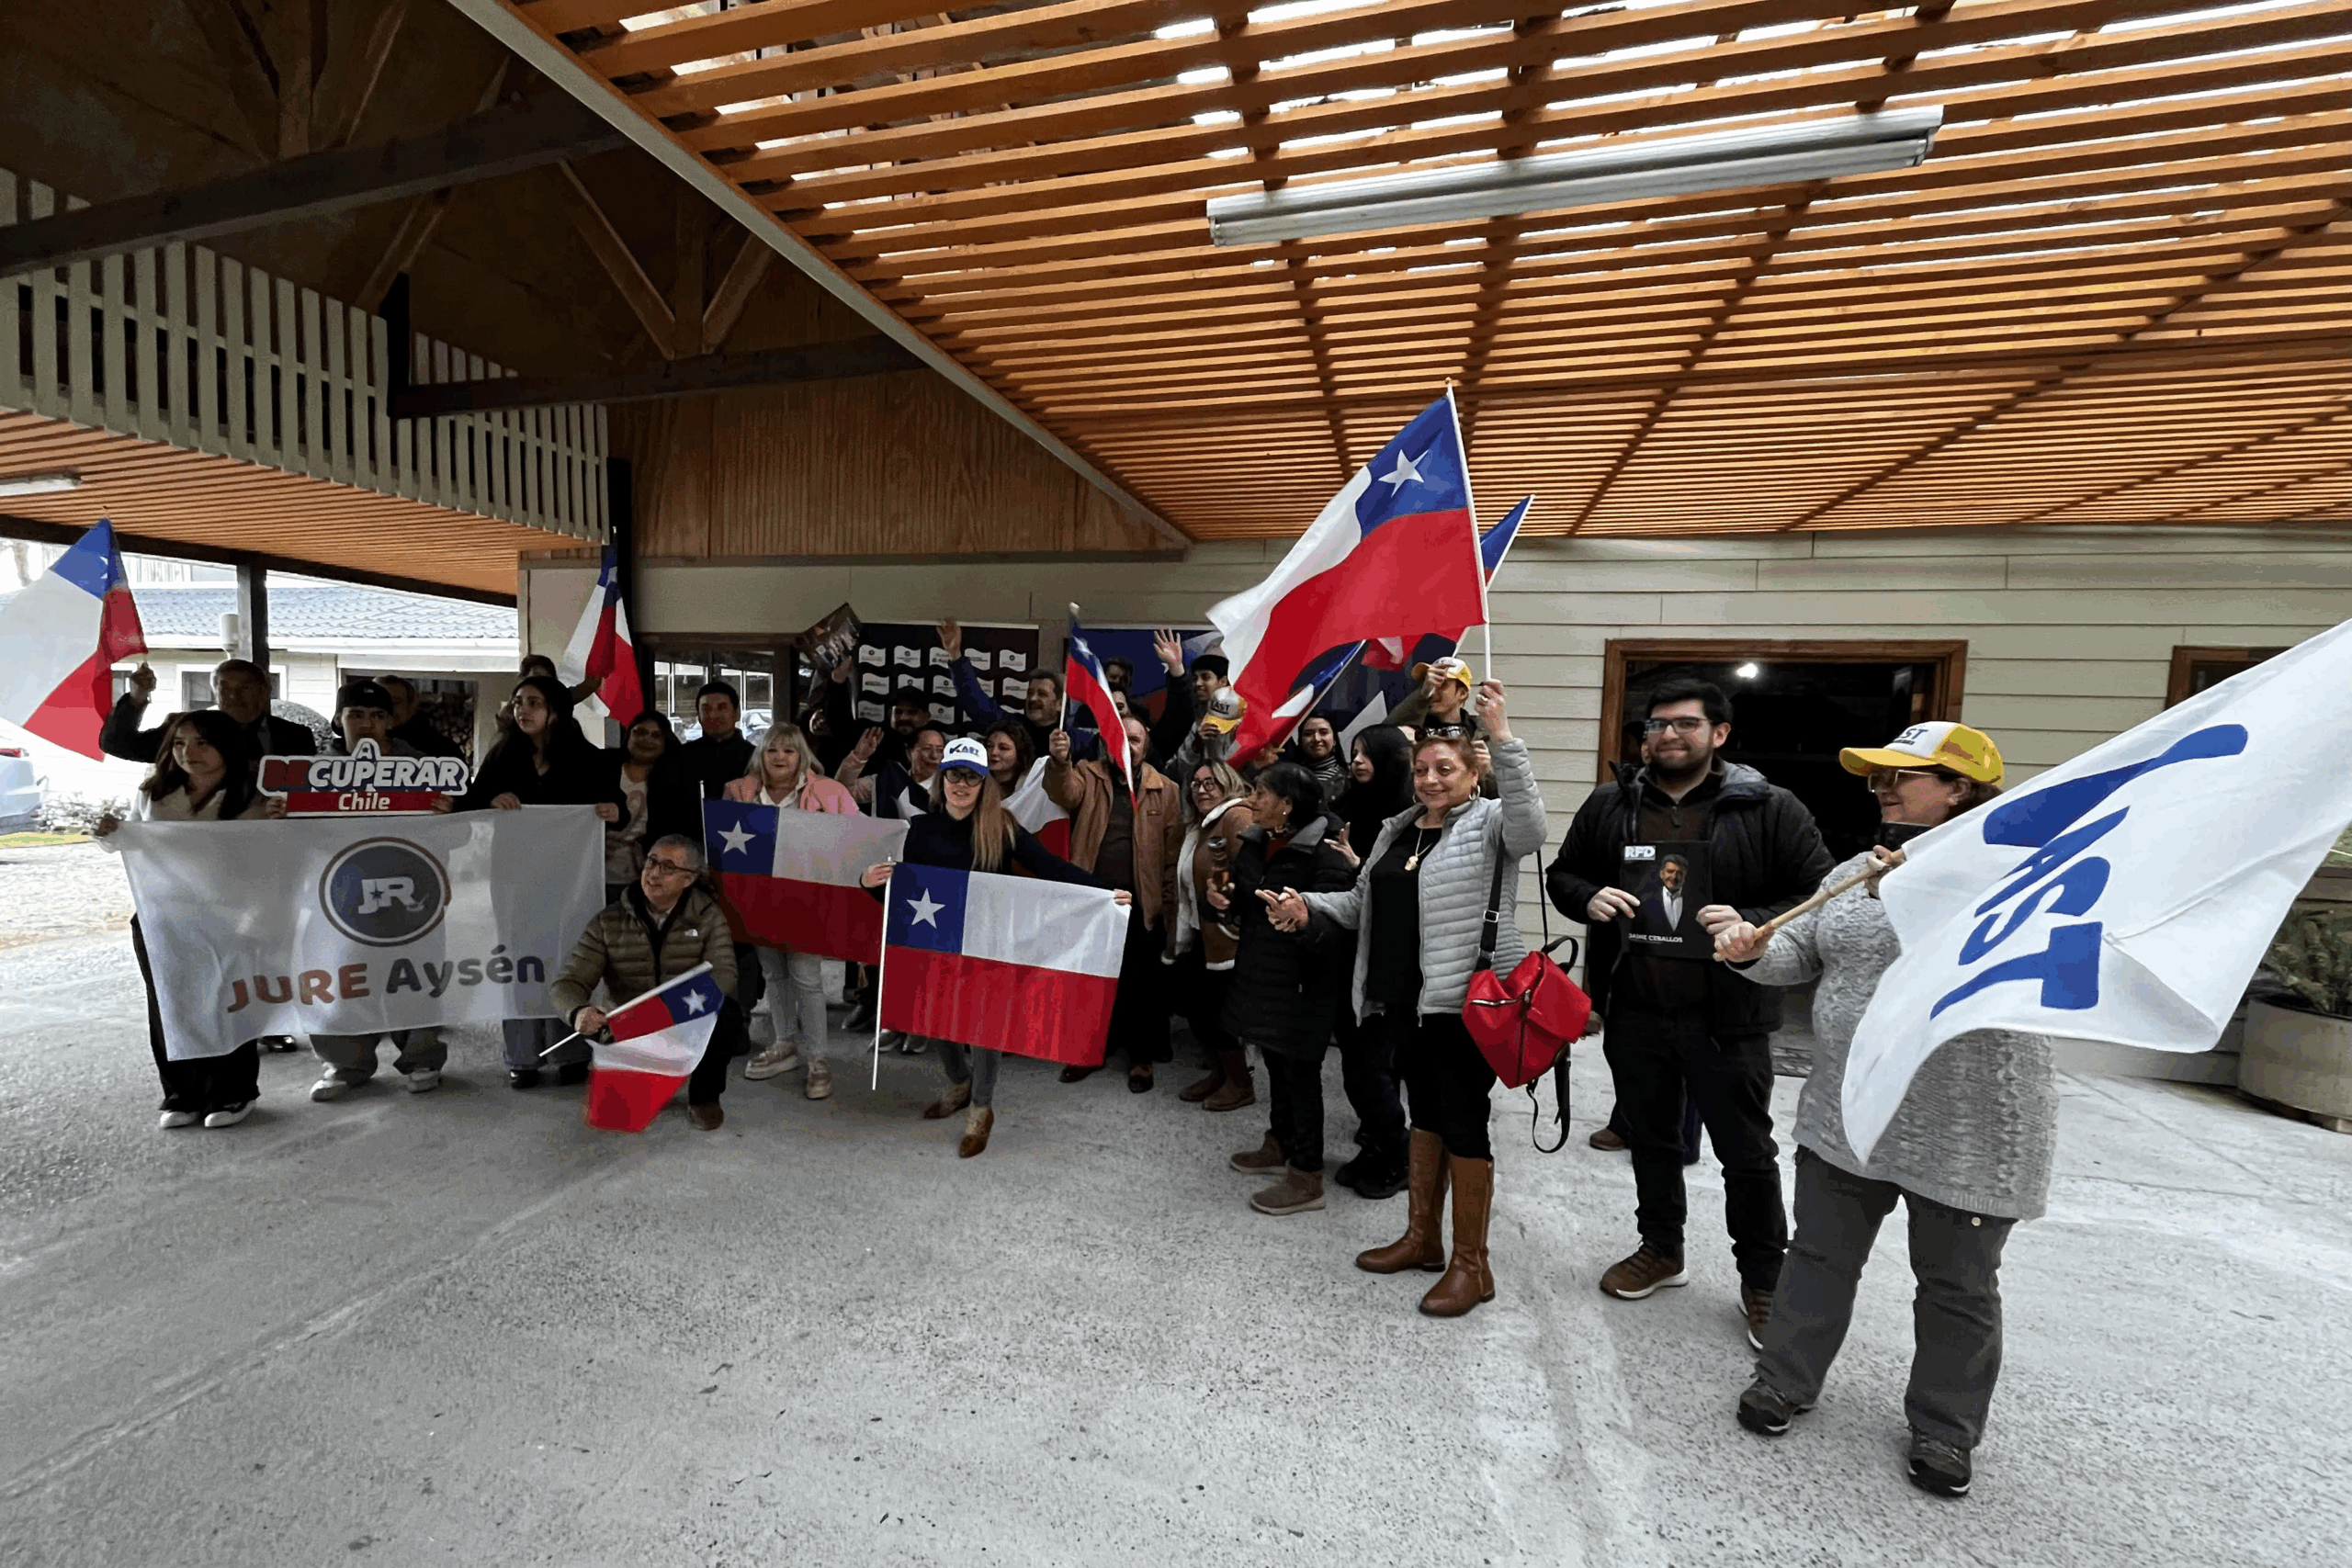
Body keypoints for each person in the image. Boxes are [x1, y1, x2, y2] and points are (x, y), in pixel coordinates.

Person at [1717, 722, 2035, 1502]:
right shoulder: (1857, 869)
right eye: (1878, 777)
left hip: (1965, 1123)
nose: (1884, 788)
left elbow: (2011, 959)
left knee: (1957, 1284)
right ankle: (1785, 1379)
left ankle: (1945, 1427)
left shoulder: (2020, 872)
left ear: (1959, 790)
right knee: (1818, 1256)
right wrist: (1753, 950)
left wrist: (1927, 890)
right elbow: (1804, 953)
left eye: (1904, 775)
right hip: (1848, 1109)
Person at [1544, 677, 1834, 1347]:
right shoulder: (1613, 803)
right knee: (1652, 1141)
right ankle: (1661, 1248)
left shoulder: (1768, 806)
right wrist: (1587, 897)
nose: (1668, 735)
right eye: (1657, 724)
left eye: (1685, 724)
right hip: (1636, 1007)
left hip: (1728, 1015)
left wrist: (1753, 922)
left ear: (1719, 734)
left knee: (1747, 1154)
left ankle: (1764, 1278)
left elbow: (1817, 893)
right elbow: (1564, 873)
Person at [1265, 682, 1544, 1317]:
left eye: (1445, 768)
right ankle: (1423, 1238)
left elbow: (1533, 826)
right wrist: (1305, 906)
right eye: (1421, 769)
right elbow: (1361, 903)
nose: (1430, 779)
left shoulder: (1492, 823)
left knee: (1464, 1123)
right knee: (1426, 1118)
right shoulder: (1398, 831)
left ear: (1471, 775)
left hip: (1464, 1005)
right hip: (1402, 1004)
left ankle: (1472, 1265)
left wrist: (1503, 737)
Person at [857, 737, 1116, 1158]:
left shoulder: (1003, 827)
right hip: (937, 943)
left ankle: (982, 1107)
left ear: (984, 783)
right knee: (937, 1022)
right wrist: (867, 884)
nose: (962, 784)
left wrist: (1103, 893)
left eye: (972, 777)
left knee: (983, 1028)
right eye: (954, 775)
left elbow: (1051, 867)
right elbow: (904, 899)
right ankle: (960, 1083)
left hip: (987, 945)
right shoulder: (921, 830)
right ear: (942, 779)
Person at [95, 711, 278, 1129]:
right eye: (179, 743)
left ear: (227, 747)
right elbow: (131, 841)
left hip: (231, 917)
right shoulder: (154, 792)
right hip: (162, 914)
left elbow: (274, 859)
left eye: (201, 743)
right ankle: (182, 1094)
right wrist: (109, 832)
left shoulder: (258, 798)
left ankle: (233, 1092)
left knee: (228, 1001)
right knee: (169, 1003)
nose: (188, 753)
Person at [458, 673, 628, 1088]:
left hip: (570, 879)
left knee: (569, 959)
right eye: (518, 702)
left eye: (534, 702)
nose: (523, 710)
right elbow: (470, 802)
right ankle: (523, 1057)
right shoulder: (502, 755)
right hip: (513, 879)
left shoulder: (587, 758)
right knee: (519, 962)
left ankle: (572, 1052)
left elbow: (619, 807)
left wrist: (612, 811)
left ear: (555, 711)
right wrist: (490, 800)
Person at [306, 680, 459, 1103]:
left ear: (391, 721)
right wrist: (282, 817)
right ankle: (345, 1062)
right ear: (338, 719)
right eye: (356, 714)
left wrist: (448, 817)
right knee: (342, 978)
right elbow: (295, 842)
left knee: (415, 974)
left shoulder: (425, 768)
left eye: (377, 715)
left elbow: (462, 834)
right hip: (341, 894)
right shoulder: (312, 772)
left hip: (411, 891)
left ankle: (422, 1057)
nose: (367, 724)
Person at [1215, 763, 1355, 1215]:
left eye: (1260, 793)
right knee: (1275, 1063)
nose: (1251, 800)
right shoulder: (1258, 839)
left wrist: (1302, 923)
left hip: (1304, 982)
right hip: (1263, 973)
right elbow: (1248, 899)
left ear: (1288, 804)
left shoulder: (1326, 852)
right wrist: (1225, 901)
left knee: (1301, 1075)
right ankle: (1279, 1143)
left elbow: (1338, 925)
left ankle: (1307, 1175)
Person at [548, 835, 743, 1132]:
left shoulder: (708, 916)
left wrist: (674, 1008)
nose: (653, 874)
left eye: (668, 867)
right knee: (616, 1117)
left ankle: (704, 1098)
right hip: (630, 1024)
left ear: (689, 879)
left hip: (683, 1017)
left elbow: (724, 973)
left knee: (727, 1014)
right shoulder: (609, 921)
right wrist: (577, 1012)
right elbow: (568, 982)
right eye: (651, 862)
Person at [1044, 715, 1181, 1091]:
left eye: (1134, 740)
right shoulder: (1087, 774)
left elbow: (1172, 855)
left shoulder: (1166, 789)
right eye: (1120, 738)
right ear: (1106, 744)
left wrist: (1168, 909)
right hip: (1093, 901)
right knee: (1091, 981)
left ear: (1145, 745)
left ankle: (1141, 1058)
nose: (1127, 746)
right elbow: (1063, 792)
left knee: (1141, 985)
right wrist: (1060, 761)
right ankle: (1090, 1052)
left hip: (1142, 904)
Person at [724, 723, 860, 1100]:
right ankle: (784, 1043)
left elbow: (857, 837)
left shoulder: (829, 792)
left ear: (802, 756)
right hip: (759, 900)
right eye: (772, 750)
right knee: (773, 973)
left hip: (808, 900)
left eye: (789, 750)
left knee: (806, 976)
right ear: (760, 755)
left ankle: (818, 1058)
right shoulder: (738, 792)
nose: (780, 757)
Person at [1328, 723, 1415, 1197]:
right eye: (1354, 751)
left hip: (1389, 961)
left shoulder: (1410, 820)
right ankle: (1378, 1144)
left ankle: (1398, 1156)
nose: (1357, 760)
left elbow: (1401, 892)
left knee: (1373, 1068)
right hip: (1347, 951)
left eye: (1367, 753)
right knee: (1353, 1065)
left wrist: (1357, 866)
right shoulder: (1347, 807)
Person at [1166, 759, 1255, 1111]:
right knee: (1199, 1011)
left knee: (1220, 1015)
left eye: (1210, 783)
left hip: (1227, 938)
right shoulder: (1199, 825)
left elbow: (1251, 874)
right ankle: (1219, 1075)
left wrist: (1229, 897)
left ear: (1227, 784)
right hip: (1198, 932)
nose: (1201, 790)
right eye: (1196, 784)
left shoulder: (1236, 817)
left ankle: (1240, 1084)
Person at [99, 657, 316, 769]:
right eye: (225, 688)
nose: (234, 696)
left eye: (245, 688)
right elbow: (117, 744)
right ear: (214, 692)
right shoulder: (187, 730)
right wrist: (137, 697)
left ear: (265, 690)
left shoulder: (296, 736)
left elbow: (304, 792)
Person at [937, 619, 1089, 760]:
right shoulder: (1014, 728)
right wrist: (955, 655)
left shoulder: (1074, 740)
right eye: (1030, 693)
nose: (1033, 699)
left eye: (1042, 694)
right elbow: (977, 705)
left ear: (1059, 704)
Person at [596, 709, 701, 904]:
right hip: (594, 871)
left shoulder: (675, 782)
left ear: (665, 742)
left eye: (656, 735)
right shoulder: (602, 767)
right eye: (640, 732)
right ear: (629, 734)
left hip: (648, 878)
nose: (646, 740)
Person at [841, 721, 944, 817]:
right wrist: (858, 757)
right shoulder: (886, 780)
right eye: (927, 749)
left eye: (940, 750)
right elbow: (842, 791)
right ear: (909, 752)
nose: (934, 756)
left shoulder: (946, 788)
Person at [1149, 641, 1227, 762]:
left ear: (1223, 681)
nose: (1198, 683)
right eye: (1195, 678)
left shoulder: (1241, 717)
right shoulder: (1191, 721)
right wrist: (1195, 747)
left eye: (1206, 677)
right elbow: (1171, 769)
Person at [680, 680, 756, 801]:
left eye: (722, 708)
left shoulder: (755, 758)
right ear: (698, 715)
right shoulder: (680, 757)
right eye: (706, 709)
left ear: (737, 713)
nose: (713, 715)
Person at [378, 674, 459, 759]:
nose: (384, 709)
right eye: (377, 702)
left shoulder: (444, 749)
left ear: (411, 706)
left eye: (394, 702)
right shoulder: (369, 743)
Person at [1292, 715, 1349, 805]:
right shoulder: (1289, 779)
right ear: (1300, 741)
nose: (1316, 739)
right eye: (1308, 734)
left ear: (1334, 740)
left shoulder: (1350, 779)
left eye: (1323, 732)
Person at [982, 718, 1034, 795]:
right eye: (989, 746)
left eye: (1003, 748)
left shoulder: (1030, 786)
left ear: (1020, 752)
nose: (993, 752)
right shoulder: (976, 782)